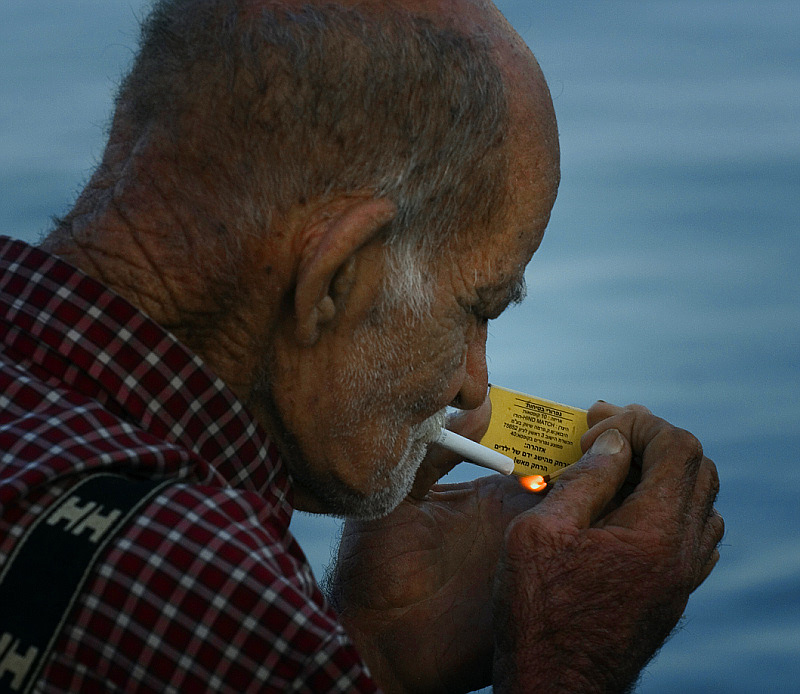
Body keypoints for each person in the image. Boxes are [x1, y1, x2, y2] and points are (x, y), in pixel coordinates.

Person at [0, 0, 723, 691]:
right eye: (478, 308)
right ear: (336, 279)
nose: (475, 384)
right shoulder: (209, 605)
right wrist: (564, 661)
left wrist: (371, 656)